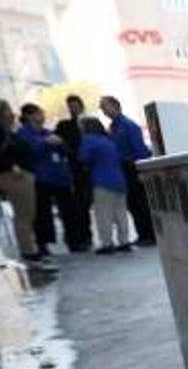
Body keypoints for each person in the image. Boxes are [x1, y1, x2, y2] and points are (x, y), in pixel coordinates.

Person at [0, 98, 57, 271]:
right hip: (14, 175)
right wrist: (12, 166)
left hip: (15, 173)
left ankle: (31, 251)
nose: (11, 114)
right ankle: (30, 253)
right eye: (7, 110)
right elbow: (1, 152)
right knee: (25, 215)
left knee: (26, 215)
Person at [17, 103, 88, 254]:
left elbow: (64, 150)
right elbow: (29, 151)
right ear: (29, 116)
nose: (42, 116)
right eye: (38, 113)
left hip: (59, 176)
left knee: (69, 210)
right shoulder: (24, 134)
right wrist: (45, 143)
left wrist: (61, 144)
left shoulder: (47, 132)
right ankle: (43, 243)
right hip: (40, 177)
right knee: (43, 213)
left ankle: (74, 240)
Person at [99, 96, 155, 245]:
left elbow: (139, 149)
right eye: (102, 108)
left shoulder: (128, 125)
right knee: (133, 204)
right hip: (122, 169)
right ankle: (142, 234)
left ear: (115, 106)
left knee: (141, 203)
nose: (103, 110)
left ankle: (149, 235)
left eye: (104, 107)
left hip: (132, 167)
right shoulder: (113, 127)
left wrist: (142, 171)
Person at [77, 118, 131, 254]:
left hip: (102, 181)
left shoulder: (88, 139)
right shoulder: (109, 141)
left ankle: (107, 243)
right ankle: (124, 241)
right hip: (119, 180)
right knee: (121, 213)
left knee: (104, 214)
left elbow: (84, 158)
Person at [55, 94, 93, 244]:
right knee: (79, 204)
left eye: (76, 106)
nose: (73, 109)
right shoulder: (64, 126)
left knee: (86, 203)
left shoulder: (90, 124)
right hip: (75, 169)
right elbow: (59, 144)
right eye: (71, 107)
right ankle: (83, 235)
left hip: (90, 170)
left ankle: (86, 234)